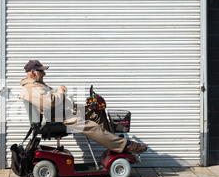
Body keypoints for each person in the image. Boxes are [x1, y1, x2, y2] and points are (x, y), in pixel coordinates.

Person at [19, 60, 147, 154]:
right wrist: (61, 92)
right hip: (59, 118)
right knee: (93, 127)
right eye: (42, 71)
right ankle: (125, 145)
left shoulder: (36, 84)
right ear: (33, 72)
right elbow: (49, 104)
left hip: (63, 113)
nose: (44, 74)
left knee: (95, 112)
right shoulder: (31, 88)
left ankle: (112, 143)